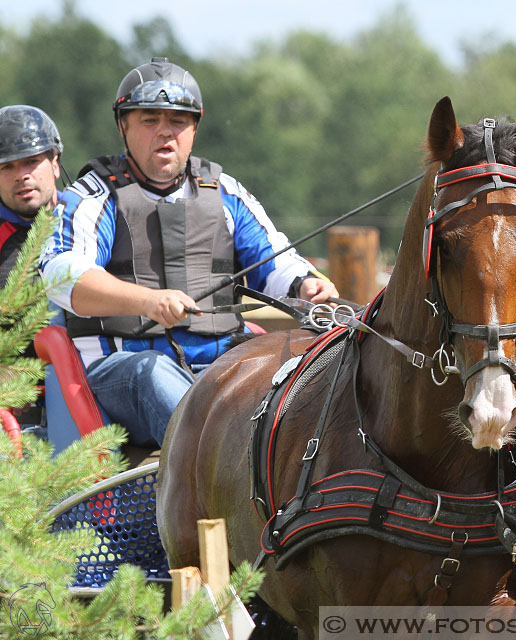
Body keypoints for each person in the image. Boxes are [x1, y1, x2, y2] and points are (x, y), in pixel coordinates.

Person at [40, 57, 338, 448]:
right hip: (121, 374)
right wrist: (146, 301)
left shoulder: (226, 192)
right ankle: (232, 470)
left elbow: (277, 259)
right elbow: (62, 274)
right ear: (123, 126)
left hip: (222, 367)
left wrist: (306, 286)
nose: (165, 132)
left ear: (194, 128)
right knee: (152, 372)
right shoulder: (94, 196)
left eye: (177, 122)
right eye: (149, 120)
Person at [0, 105, 63, 288]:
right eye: (6, 167)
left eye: (31, 161)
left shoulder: (89, 222)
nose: (21, 175)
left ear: (55, 164)